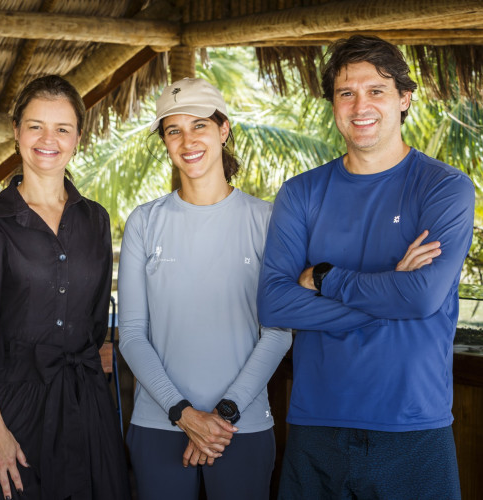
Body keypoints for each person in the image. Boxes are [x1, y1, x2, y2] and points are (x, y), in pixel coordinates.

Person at [257, 35, 474, 500]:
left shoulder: (444, 188)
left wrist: (324, 279)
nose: (361, 105)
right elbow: (274, 303)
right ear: (333, 103)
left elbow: (421, 296)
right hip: (317, 424)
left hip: (414, 426)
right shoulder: (301, 193)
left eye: (376, 90)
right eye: (346, 92)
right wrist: (391, 292)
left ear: (404, 99)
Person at [0, 75, 131, 500]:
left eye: (62, 128)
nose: (49, 139)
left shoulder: (95, 220)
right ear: (16, 131)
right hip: (8, 407)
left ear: (78, 138)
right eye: (35, 126)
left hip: (85, 406)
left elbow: (95, 319)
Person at [117, 77, 292, 500]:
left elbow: (278, 331)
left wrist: (222, 415)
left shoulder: (267, 220)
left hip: (241, 428)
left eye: (199, 125)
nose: (187, 140)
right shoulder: (144, 221)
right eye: (173, 130)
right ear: (164, 140)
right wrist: (183, 415)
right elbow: (133, 335)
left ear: (223, 129)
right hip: (159, 425)